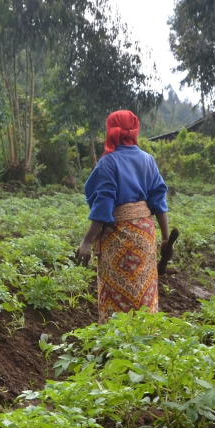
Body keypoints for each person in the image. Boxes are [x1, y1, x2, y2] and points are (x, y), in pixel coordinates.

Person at [76, 110, 169, 323]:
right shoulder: (148, 160)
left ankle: (116, 337)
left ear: (110, 130)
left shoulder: (108, 162)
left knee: (117, 294)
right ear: (135, 130)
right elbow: (159, 202)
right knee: (143, 289)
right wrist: (164, 238)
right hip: (145, 236)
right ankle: (146, 335)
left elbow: (103, 205)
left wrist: (87, 241)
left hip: (118, 237)